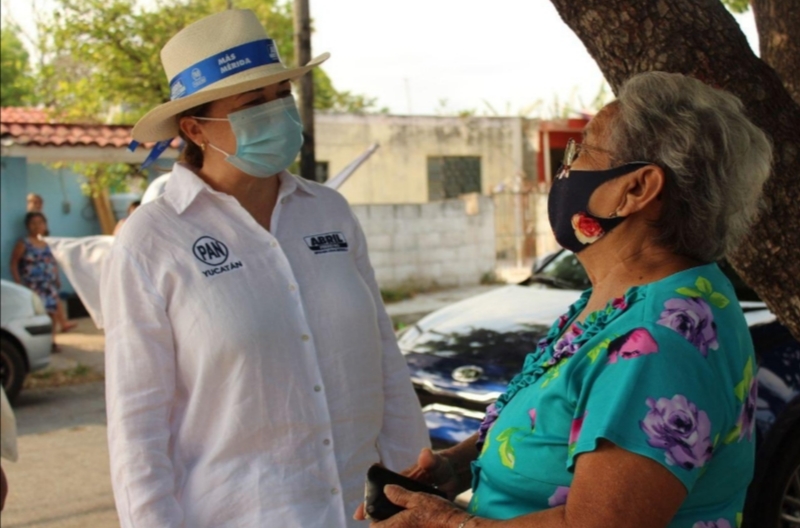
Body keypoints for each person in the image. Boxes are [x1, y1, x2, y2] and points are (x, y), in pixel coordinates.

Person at [356, 72, 772, 528]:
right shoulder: (626, 299)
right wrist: (459, 464)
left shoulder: (656, 339)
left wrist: (447, 524)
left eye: (581, 151)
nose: (566, 168)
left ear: (635, 189)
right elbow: (559, 418)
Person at [100, 9, 429, 528]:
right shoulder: (152, 241)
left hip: (362, 514)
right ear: (195, 128)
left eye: (281, 95)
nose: (277, 112)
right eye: (254, 104)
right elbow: (137, 426)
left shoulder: (329, 211)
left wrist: (416, 488)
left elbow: (384, 356)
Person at [10, 212, 77, 347]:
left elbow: (52, 262)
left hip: (49, 284)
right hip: (33, 285)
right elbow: (14, 262)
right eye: (33, 223)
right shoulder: (24, 244)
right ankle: (40, 344)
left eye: (40, 223)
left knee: (52, 313)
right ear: (28, 226)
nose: (37, 226)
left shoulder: (47, 243)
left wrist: (57, 278)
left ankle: (52, 341)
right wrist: (17, 281)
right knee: (40, 313)